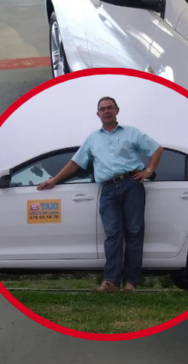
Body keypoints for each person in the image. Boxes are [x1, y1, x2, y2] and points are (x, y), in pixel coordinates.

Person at [36, 96, 164, 293]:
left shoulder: (132, 133)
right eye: (102, 109)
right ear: (98, 114)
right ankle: (111, 282)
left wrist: (149, 170)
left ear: (117, 110)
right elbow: (76, 163)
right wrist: (54, 180)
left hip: (132, 184)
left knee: (134, 233)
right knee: (112, 234)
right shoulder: (93, 139)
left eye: (110, 107)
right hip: (108, 189)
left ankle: (131, 283)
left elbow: (157, 149)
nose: (106, 111)